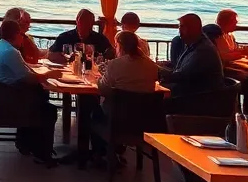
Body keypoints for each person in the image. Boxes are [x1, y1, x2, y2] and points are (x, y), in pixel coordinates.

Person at [0, 19, 59, 165]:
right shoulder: (11, 52)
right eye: (21, 35)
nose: (23, 38)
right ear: (16, 34)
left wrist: (34, 68)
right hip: (8, 105)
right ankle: (43, 152)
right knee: (48, 110)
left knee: (39, 98)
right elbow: (29, 78)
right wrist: (50, 75)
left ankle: (27, 144)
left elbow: (21, 68)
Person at [89, 31, 160, 160]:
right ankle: (116, 150)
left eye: (116, 46)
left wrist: (98, 79)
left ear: (120, 46)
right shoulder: (152, 66)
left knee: (93, 110)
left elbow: (103, 89)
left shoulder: (115, 65)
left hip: (117, 122)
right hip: (143, 122)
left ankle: (99, 153)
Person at [160, 13, 225, 98]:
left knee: (154, 93)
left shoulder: (202, 50)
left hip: (197, 98)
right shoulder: (195, 44)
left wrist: (157, 72)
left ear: (193, 28)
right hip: (194, 91)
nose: (179, 30)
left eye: (182, 27)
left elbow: (181, 76)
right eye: (179, 27)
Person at [48, 9, 114, 64]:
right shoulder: (64, 37)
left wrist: (102, 57)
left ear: (92, 24)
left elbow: (111, 55)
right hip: (69, 71)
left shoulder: (100, 39)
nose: (85, 25)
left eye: (88, 22)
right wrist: (65, 59)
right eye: (82, 21)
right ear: (77, 20)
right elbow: (51, 54)